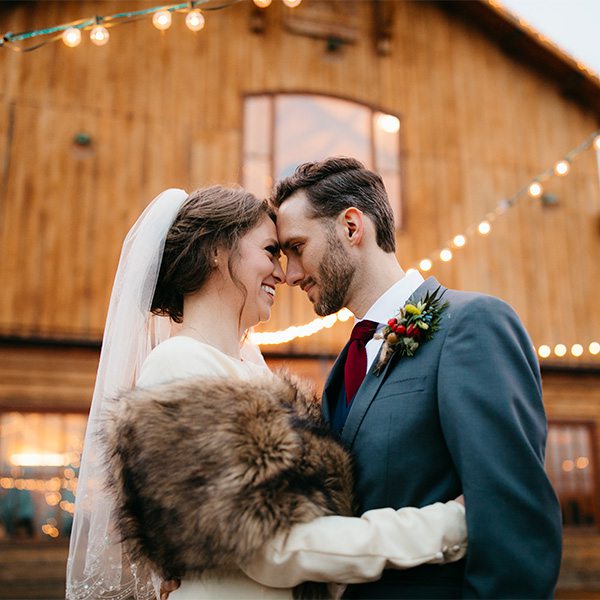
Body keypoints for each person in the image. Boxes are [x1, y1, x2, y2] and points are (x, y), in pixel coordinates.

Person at [66, 186, 467, 600]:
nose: (283, 273)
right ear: (216, 251)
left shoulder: (251, 376)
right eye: (271, 251)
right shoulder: (179, 365)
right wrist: (447, 524)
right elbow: (272, 549)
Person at [243, 157, 563, 598]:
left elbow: (514, 518)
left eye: (297, 247)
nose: (291, 274)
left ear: (352, 227)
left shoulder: (471, 325)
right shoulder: (342, 370)